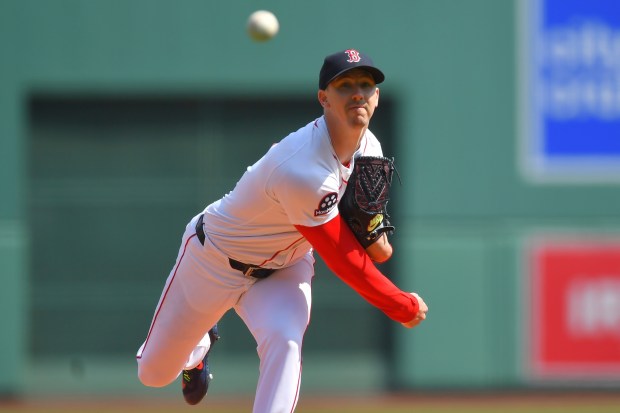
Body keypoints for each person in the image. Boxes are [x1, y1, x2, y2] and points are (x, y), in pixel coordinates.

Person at [136, 48, 429, 413]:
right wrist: (399, 304)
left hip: (285, 268)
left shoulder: (370, 148)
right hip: (213, 260)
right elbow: (344, 260)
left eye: (367, 84)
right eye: (345, 85)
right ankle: (197, 350)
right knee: (153, 373)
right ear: (323, 98)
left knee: (285, 341)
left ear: (377, 96)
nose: (358, 93)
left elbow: (372, 244)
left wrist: (376, 240)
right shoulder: (302, 167)